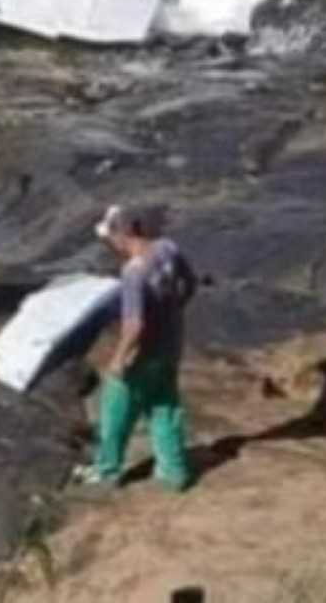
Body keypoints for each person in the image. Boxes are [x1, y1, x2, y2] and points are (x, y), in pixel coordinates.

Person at [80, 205, 198, 491]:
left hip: (142, 354)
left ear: (123, 234)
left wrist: (119, 359)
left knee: (115, 411)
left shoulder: (134, 272)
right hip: (170, 344)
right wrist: (172, 312)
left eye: (110, 236)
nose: (110, 242)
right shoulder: (168, 249)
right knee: (164, 406)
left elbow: (134, 325)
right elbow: (190, 283)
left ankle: (107, 471)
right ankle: (174, 471)